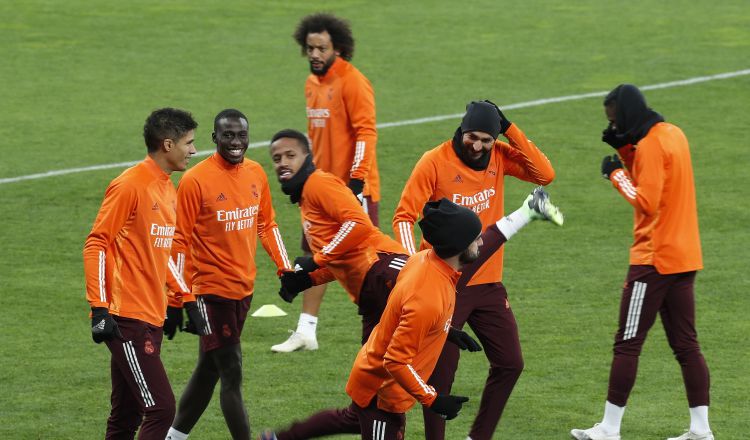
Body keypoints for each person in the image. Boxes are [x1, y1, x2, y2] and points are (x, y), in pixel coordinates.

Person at [261, 188, 564, 440]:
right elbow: (395, 360)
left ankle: (279, 438)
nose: (480, 242)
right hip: (383, 394)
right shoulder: (429, 292)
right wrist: (434, 400)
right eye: (475, 238)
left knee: (350, 418)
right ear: (458, 247)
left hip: (373, 379)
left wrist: (446, 330)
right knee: (361, 421)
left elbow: (403, 305)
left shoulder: (424, 262)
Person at [392, 100, 558, 440]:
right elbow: (404, 217)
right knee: (441, 376)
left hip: (488, 282)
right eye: (472, 137)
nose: (478, 146)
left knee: (511, 363)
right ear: (461, 129)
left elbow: (544, 174)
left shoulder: (498, 154)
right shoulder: (434, 161)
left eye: (486, 139)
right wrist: (413, 266)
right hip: (445, 285)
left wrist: (509, 128)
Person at [570, 84, 712, 440]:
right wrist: (623, 148)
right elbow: (659, 179)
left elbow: (647, 200)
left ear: (627, 113)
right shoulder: (673, 133)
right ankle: (701, 429)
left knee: (627, 342)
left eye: (615, 119)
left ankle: (610, 428)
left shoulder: (649, 145)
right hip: (684, 256)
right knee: (686, 345)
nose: (614, 124)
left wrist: (615, 175)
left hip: (653, 260)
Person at [164, 109, 292, 440]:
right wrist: (178, 297)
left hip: (243, 289)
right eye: (228, 136)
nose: (236, 143)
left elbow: (266, 223)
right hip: (209, 292)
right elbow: (178, 242)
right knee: (231, 371)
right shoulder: (195, 181)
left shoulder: (255, 173)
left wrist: (285, 268)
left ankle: (172, 437)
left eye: (241, 136)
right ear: (214, 139)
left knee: (209, 369)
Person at [83, 108, 198, 439]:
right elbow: (96, 245)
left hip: (152, 316)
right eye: (188, 143)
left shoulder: (166, 188)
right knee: (162, 409)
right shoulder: (130, 185)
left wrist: (186, 300)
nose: (192, 151)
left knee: (126, 415)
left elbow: (159, 256)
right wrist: (99, 308)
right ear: (167, 144)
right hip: (125, 318)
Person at [272, 13, 380, 352]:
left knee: (362, 264)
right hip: (317, 189)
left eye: (322, 48)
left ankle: (386, 323)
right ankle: (307, 330)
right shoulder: (311, 84)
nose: (315, 54)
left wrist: (358, 178)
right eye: (310, 48)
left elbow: (365, 131)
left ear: (339, 48)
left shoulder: (352, 82)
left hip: (350, 192)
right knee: (315, 254)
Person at [268, 128, 406, 346]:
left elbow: (359, 224)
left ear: (307, 157)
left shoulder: (318, 183)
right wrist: (307, 279)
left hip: (384, 271)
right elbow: (343, 258)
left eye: (290, 155)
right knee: (375, 370)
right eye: (277, 159)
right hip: (371, 288)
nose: (283, 163)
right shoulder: (305, 198)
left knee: (396, 365)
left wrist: (315, 261)